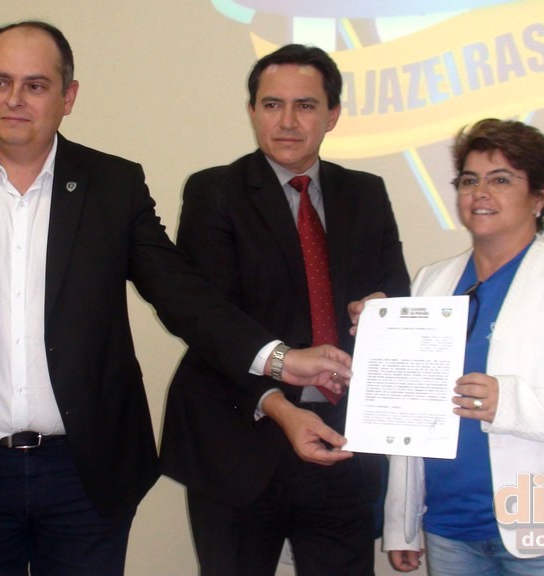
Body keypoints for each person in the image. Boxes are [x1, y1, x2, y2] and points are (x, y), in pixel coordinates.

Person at [0, 22, 354, 576]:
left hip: (84, 475)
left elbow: (181, 294)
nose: (14, 99)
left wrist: (278, 359)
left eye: (35, 85)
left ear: (68, 97)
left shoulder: (113, 185)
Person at [160, 44, 410, 576]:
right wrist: (279, 405)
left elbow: (395, 292)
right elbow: (208, 322)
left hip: (343, 444)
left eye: (306, 105)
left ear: (332, 115)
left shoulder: (365, 193)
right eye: (272, 105)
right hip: (241, 439)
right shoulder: (215, 192)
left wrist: (381, 310)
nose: (288, 121)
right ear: (252, 111)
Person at [361, 118, 544, 575]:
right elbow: (410, 413)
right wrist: (402, 524)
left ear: (539, 197)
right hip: (449, 529)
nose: (480, 193)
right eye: (469, 180)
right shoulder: (432, 280)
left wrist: (508, 403)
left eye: (501, 180)